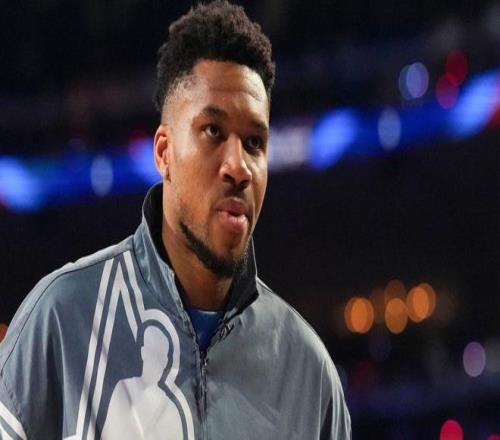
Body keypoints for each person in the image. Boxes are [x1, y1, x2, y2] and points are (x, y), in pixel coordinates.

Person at [0, 1, 351, 439]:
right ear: (164, 152)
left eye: (254, 143)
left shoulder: (309, 375)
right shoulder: (62, 319)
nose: (238, 167)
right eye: (213, 132)